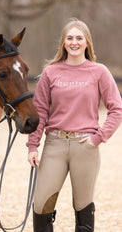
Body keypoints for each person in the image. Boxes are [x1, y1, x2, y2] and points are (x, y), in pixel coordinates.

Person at [26, 18, 122, 232]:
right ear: (63, 43)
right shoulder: (50, 72)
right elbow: (40, 111)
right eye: (70, 38)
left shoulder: (99, 72)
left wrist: (98, 137)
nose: (74, 42)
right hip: (54, 145)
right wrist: (33, 146)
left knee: (83, 208)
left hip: (85, 147)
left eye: (79, 38)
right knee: (41, 205)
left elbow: (117, 109)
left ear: (87, 42)